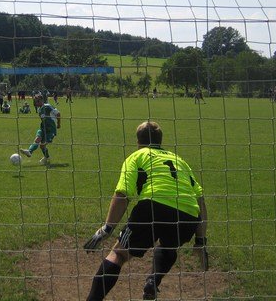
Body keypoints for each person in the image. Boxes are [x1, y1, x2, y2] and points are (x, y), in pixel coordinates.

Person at [83, 121, 208, 301]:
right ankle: (152, 281)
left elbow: (123, 194)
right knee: (169, 245)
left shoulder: (137, 156)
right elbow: (200, 200)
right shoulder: (179, 160)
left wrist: (107, 228)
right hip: (187, 215)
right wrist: (201, 240)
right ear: (160, 140)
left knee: (119, 254)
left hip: (153, 207)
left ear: (138, 141)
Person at [19, 95, 61, 166]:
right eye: (36, 101)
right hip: (42, 128)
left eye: (38, 101)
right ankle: (29, 151)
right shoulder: (39, 110)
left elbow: (58, 113)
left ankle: (47, 158)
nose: (37, 103)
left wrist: (58, 124)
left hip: (51, 130)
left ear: (42, 100)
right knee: (37, 139)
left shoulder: (47, 106)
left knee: (42, 146)